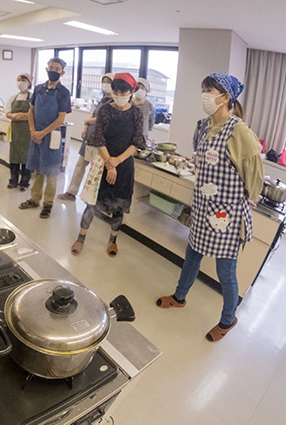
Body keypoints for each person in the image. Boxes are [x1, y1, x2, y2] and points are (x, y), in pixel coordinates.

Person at [156, 72, 264, 342]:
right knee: (191, 256)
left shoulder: (238, 130)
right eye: (203, 89)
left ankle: (228, 319)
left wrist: (250, 198)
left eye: (210, 90)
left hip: (225, 214)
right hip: (203, 206)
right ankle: (180, 297)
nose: (204, 95)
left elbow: (254, 171)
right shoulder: (203, 125)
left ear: (226, 97)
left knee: (225, 271)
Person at [71, 73, 145, 257]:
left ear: (131, 91)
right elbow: (99, 138)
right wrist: (109, 164)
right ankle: (81, 238)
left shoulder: (136, 113)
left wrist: (116, 163)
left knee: (119, 204)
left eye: (123, 90)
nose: (119, 94)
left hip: (124, 165)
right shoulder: (105, 110)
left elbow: (136, 142)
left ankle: (113, 240)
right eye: (116, 90)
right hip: (102, 162)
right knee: (92, 202)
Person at [19, 57, 72, 219]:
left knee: (51, 172)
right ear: (46, 69)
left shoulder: (63, 93)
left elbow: (60, 119)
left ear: (62, 73)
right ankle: (34, 199)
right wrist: (33, 131)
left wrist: (42, 133)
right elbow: (31, 111)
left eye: (57, 69)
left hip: (52, 136)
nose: (53, 71)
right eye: (51, 68)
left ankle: (48, 204)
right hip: (36, 134)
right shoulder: (39, 88)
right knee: (38, 169)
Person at [58, 73, 113, 201]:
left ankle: (92, 197)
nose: (105, 85)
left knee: (96, 170)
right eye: (103, 82)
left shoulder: (113, 102)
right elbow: (94, 114)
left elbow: (102, 119)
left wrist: (87, 122)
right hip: (90, 137)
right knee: (80, 165)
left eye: (108, 82)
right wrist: (85, 128)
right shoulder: (103, 99)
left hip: (100, 140)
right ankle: (71, 192)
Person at [5, 73, 33, 191]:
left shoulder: (33, 97)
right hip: (15, 131)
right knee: (14, 156)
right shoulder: (13, 98)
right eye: (19, 80)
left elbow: (33, 114)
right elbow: (7, 112)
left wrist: (21, 115)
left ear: (29, 82)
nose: (21, 81)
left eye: (23, 79)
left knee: (27, 157)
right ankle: (13, 180)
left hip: (28, 131)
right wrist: (13, 115)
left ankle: (24, 182)